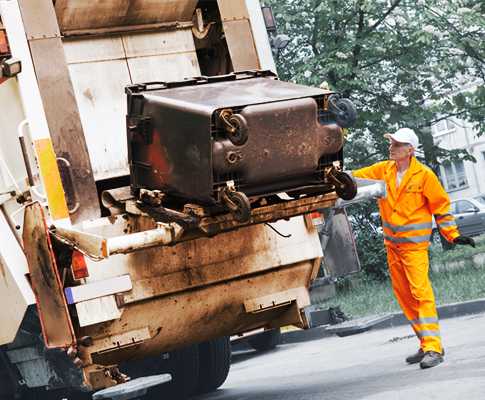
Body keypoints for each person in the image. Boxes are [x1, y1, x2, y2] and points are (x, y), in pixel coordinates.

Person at [353, 127, 475, 369]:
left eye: (397, 144)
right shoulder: (383, 170)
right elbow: (353, 177)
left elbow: (441, 207)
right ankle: (426, 343)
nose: (391, 147)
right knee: (406, 299)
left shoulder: (424, 175)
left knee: (421, 295)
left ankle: (434, 348)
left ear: (410, 150)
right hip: (393, 248)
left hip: (414, 249)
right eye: (391, 143)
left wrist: (452, 235)